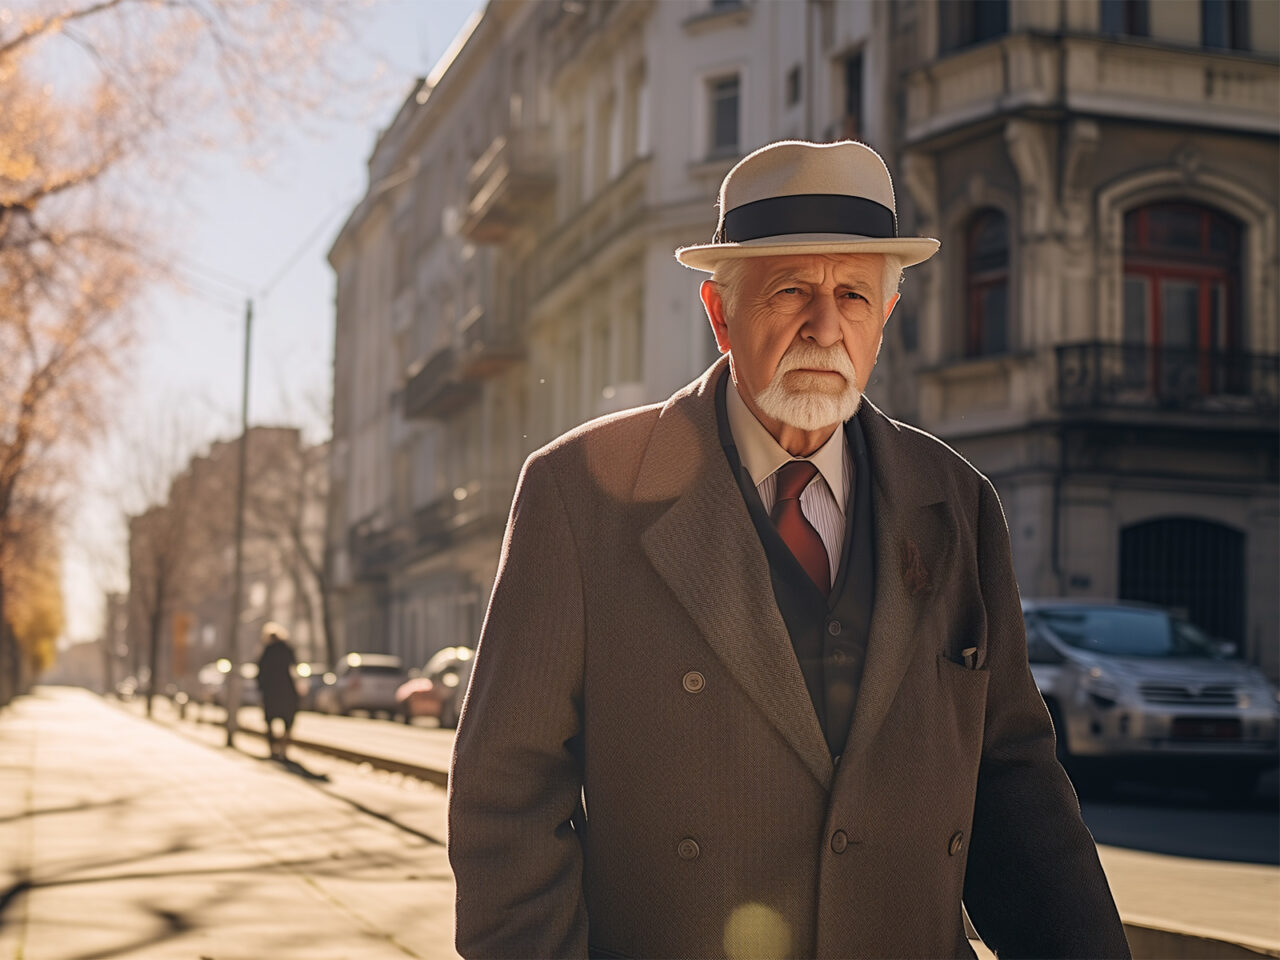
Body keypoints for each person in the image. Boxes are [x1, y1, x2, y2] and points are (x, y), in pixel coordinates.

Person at [446, 140, 1129, 959]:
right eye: (791, 291)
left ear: (886, 316)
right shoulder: (581, 493)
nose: (825, 326)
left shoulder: (957, 502)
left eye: (852, 294)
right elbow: (507, 794)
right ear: (720, 313)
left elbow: (1015, 781)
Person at [254, 622, 299, 761]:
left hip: (271, 690)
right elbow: (295, 667)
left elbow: (260, 672)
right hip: (286, 689)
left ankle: (273, 750)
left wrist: (260, 688)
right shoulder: (287, 648)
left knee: (269, 721)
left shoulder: (266, 650)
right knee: (288, 720)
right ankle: (284, 749)